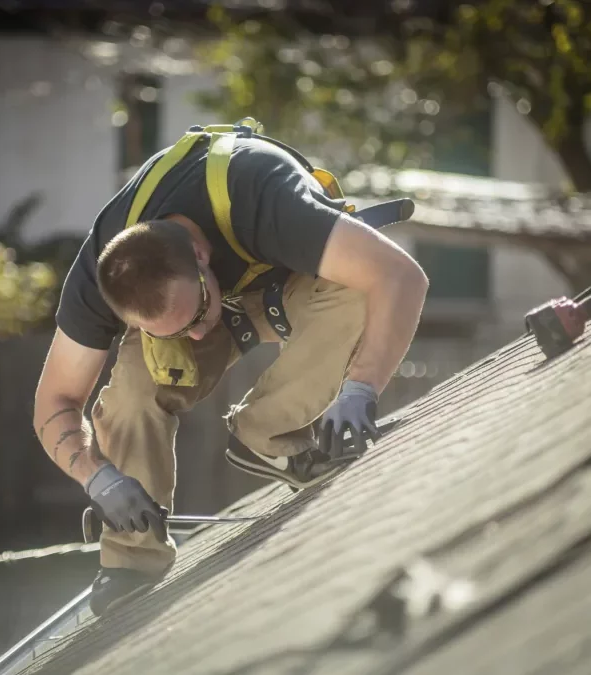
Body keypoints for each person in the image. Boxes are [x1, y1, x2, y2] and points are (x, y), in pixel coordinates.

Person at [33, 123, 428, 616]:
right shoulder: (101, 272)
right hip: (210, 293)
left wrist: (360, 388)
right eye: (172, 331)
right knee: (131, 390)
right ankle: (133, 557)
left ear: (200, 255)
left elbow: (401, 275)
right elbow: (55, 402)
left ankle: (267, 435)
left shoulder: (263, 197)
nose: (197, 338)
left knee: (359, 294)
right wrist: (98, 479)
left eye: (196, 315)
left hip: (289, 285)